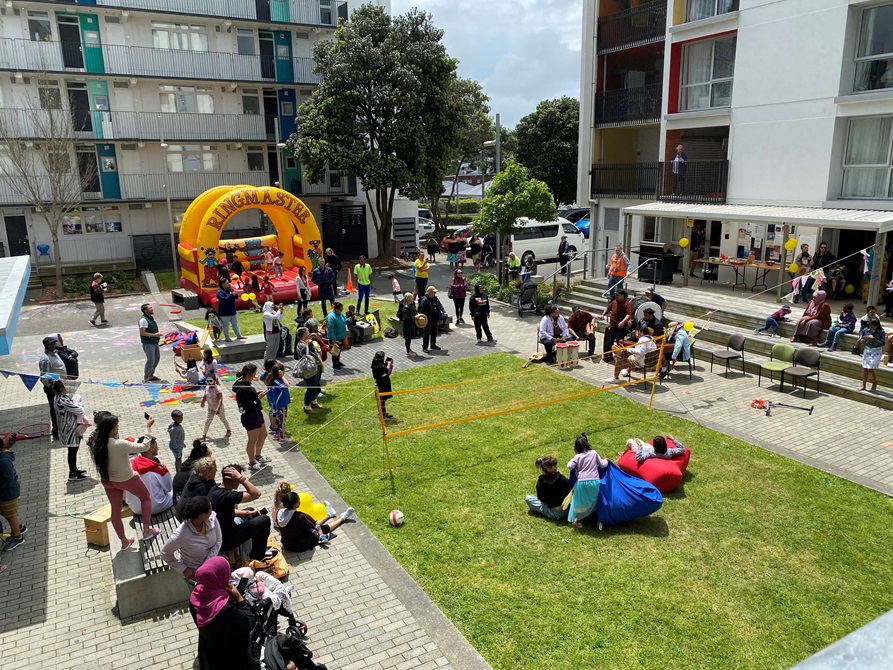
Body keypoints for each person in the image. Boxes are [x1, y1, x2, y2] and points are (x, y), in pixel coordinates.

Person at [88, 413, 159, 547]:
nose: (118, 427)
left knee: (115, 511)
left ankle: (124, 541)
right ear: (111, 429)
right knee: (145, 498)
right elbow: (144, 447)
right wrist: (148, 428)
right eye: (116, 425)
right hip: (127, 478)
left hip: (108, 481)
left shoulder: (97, 444)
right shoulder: (119, 444)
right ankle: (147, 530)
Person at [188, 555, 257, 670]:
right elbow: (249, 622)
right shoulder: (225, 609)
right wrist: (239, 599)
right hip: (230, 657)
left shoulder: (195, 596)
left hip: (209, 652)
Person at [210, 464, 271, 563]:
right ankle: (258, 556)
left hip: (219, 532)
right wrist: (241, 478)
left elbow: (227, 511)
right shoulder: (228, 496)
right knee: (264, 520)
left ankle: (253, 547)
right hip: (226, 539)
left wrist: (246, 512)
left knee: (251, 511)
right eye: (238, 481)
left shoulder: (215, 489)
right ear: (235, 481)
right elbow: (256, 494)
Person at [272, 482, 354, 552]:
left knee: (312, 525)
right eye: (298, 501)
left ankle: (329, 514)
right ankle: (343, 518)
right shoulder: (299, 517)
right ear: (295, 505)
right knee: (323, 528)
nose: (300, 502)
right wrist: (320, 535)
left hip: (287, 544)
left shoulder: (280, 513)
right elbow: (314, 526)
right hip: (300, 545)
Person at [162, 496, 223, 581]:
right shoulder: (181, 535)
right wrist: (183, 569)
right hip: (195, 574)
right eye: (210, 510)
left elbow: (218, 541)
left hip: (211, 564)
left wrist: (206, 565)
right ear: (202, 515)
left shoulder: (212, 518)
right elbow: (165, 553)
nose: (212, 511)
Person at [124, 435, 174, 515]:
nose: (158, 447)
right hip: (156, 507)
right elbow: (168, 488)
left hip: (135, 509)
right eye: (156, 445)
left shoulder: (131, 466)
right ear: (150, 449)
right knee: (175, 490)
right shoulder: (159, 468)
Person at [567, 434, 609, 529]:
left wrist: (573, 461)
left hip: (581, 482)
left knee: (579, 501)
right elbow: (603, 464)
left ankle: (579, 520)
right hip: (594, 482)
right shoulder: (594, 453)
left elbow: (569, 466)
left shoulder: (577, 457)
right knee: (594, 500)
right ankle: (599, 518)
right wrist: (606, 460)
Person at [233, 364, 269, 471]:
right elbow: (245, 406)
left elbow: (251, 397)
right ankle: (252, 462)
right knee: (252, 440)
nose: (254, 376)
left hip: (257, 412)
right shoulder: (242, 389)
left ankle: (257, 456)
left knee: (263, 434)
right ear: (249, 374)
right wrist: (258, 398)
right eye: (253, 374)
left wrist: (256, 395)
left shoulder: (247, 383)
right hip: (250, 416)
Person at [52, 380, 88, 481]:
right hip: (70, 430)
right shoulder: (63, 400)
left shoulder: (59, 397)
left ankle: (74, 470)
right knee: (72, 451)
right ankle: (72, 474)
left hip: (67, 428)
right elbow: (79, 410)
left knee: (73, 450)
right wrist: (80, 403)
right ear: (61, 388)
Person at [39, 336, 69, 441]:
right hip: (53, 389)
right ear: (46, 346)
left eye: (53, 343)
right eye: (50, 344)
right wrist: (53, 387)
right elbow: (44, 378)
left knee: (62, 408)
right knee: (55, 411)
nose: (53, 345)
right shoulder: (45, 359)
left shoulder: (55, 353)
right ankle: (56, 432)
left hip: (60, 386)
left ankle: (63, 429)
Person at [0, 435, 26, 552]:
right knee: (10, 514)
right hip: (7, 493)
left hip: (8, 494)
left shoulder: (3, 462)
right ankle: (20, 527)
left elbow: (8, 479)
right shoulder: (4, 458)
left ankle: (18, 537)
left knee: (10, 515)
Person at [524, 456, 571, 521]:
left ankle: (536, 509)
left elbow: (541, 498)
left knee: (528, 498)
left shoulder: (542, 481)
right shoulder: (562, 478)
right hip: (568, 510)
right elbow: (570, 490)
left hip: (555, 513)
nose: (556, 466)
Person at [600, 289, 634, 363]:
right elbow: (608, 308)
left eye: (617, 295)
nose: (616, 296)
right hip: (612, 325)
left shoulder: (627, 304)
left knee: (619, 342)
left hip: (620, 327)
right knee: (608, 340)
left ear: (622, 295)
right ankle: (608, 356)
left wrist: (622, 322)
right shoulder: (614, 301)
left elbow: (629, 315)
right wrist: (603, 314)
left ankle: (620, 357)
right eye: (616, 295)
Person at [295, 327, 323, 414]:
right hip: (309, 369)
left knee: (316, 386)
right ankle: (307, 407)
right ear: (304, 334)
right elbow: (307, 354)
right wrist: (310, 344)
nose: (309, 333)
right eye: (307, 332)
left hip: (316, 366)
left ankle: (313, 402)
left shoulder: (307, 342)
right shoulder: (300, 344)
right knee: (311, 388)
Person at [265, 362, 291, 443]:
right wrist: (283, 377)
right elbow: (286, 386)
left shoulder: (276, 380)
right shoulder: (278, 381)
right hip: (281, 405)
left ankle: (277, 434)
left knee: (278, 420)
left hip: (279, 404)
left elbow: (285, 384)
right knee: (282, 421)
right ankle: (282, 438)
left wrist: (283, 379)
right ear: (280, 372)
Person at [858, 317, 885, 391]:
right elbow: (861, 339)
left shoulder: (881, 331)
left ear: (877, 325)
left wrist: (874, 339)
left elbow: (883, 343)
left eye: (874, 326)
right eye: (871, 326)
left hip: (876, 350)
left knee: (870, 368)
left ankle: (874, 382)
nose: (872, 327)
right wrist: (863, 339)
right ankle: (863, 385)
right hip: (867, 349)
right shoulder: (866, 330)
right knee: (865, 368)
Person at [619, 435, 686, 462]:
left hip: (643, 450)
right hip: (648, 448)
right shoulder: (670, 452)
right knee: (637, 439)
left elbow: (638, 458)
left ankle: (627, 454)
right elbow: (683, 449)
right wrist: (673, 439)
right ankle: (637, 443)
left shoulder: (651, 453)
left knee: (630, 440)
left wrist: (640, 446)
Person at [419, 286, 445, 353]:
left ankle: (433, 344)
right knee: (426, 334)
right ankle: (425, 347)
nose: (435, 293)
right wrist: (423, 321)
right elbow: (422, 311)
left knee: (434, 332)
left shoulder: (435, 299)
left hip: (434, 319)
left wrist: (444, 311)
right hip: (427, 320)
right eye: (434, 292)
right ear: (430, 292)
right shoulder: (425, 300)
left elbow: (440, 305)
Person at [371, 351, 394, 419]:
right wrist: (391, 364)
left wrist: (386, 363)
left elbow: (383, 369)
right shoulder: (381, 366)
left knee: (380, 398)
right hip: (384, 383)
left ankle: (381, 412)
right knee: (383, 399)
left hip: (379, 382)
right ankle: (383, 415)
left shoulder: (375, 363)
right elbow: (388, 372)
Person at [325, 302, 348, 370]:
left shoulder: (340, 314)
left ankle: (338, 362)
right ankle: (335, 364)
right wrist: (333, 338)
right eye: (340, 309)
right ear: (336, 309)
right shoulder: (331, 317)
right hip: (335, 338)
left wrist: (348, 320)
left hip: (340, 336)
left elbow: (344, 321)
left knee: (339, 350)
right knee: (335, 351)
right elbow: (330, 328)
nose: (341, 311)